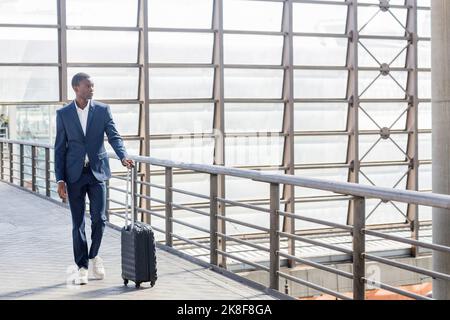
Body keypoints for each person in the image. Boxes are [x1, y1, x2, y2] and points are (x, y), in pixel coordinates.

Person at [54, 72, 134, 285]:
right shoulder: (63, 114)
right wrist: (60, 179)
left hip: (97, 172)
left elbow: (114, 136)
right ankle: (81, 266)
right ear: (76, 88)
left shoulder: (102, 110)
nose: (92, 89)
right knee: (77, 223)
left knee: (100, 219)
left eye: (92, 86)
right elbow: (60, 148)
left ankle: (93, 255)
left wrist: (123, 156)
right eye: (88, 86)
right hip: (74, 175)